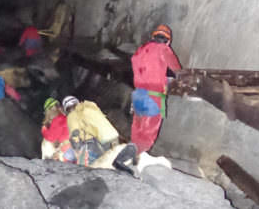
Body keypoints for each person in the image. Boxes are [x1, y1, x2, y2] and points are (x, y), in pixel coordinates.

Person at [130, 24, 182, 154]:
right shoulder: (163, 49)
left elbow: (135, 63)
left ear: (153, 36)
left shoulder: (141, 49)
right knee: (149, 130)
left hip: (138, 94)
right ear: (168, 41)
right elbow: (177, 69)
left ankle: (130, 154)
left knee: (137, 128)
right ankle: (139, 158)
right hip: (153, 96)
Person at [63, 95, 119, 166]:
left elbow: (75, 134)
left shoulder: (72, 115)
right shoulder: (91, 108)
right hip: (113, 138)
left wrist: (77, 149)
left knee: (86, 171)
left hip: (93, 146)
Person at [41, 98, 76, 162]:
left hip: (68, 152)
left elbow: (51, 137)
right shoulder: (66, 118)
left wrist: (44, 130)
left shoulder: (59, 119)